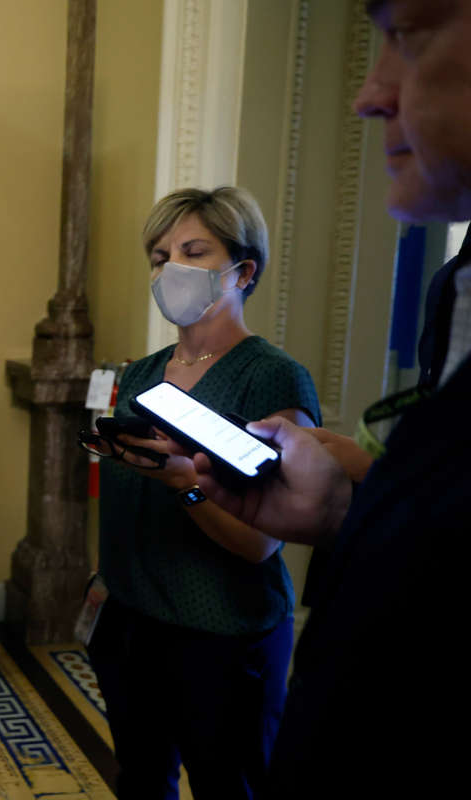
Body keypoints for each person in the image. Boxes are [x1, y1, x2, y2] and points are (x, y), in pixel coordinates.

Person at [191, 1, 471, 795]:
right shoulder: (460, 287)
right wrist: (358, 508)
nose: (368, 92)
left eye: (409, 36)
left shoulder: (272, 371)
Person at [85, 187, 320, 800]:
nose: (170, 270)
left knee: (227, 787)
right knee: (141, 780)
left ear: (242, 270)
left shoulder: (271, 376)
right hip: (134, 626)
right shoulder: (142, 374)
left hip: (221, 637)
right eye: (161, 256)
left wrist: (188, 487)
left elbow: (260, 545)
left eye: (193, 252)